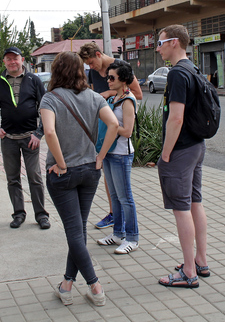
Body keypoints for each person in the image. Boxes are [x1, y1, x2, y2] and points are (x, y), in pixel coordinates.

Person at [40, 51, 119, 307]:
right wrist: (101, 156)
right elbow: (114, 125)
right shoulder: (95, 97)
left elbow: (49, 131)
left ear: (56, 71)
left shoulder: (50, 98)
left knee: (75, 233)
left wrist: (61, 164)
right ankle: (66, 286)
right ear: (80, 72)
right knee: (79, 231)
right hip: (89, 171)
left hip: (63, 175)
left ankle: (96, 287)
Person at [155, 25, 209, 289]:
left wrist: (165, 153)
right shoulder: (193, 69)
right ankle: (200, 259)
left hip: (181, 150)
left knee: (182, 209)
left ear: (174, 42)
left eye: (161, 42)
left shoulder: (177, 74)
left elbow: (176, 118)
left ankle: (188, 272)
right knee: (195, 202)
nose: (158, 47)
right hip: (197, 146)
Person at [78, 42, 143, 229]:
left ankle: (121, 221)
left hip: (118, 131)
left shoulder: (119, 67)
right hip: (103, 130)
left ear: (99, 54)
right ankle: (114, 214)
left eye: (92, 62)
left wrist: (109, 92)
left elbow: (137, 94)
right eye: (88, 65)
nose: (92, 67)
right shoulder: (93, 73)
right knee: (109, 179)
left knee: (121, 188)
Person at [0, 46, 50, 229]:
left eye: (16, 58)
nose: (12, 62)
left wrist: (39, 133)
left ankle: (41, 215)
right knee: (13, 178)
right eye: (8, 59)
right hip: (9, 140)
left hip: (30, 139)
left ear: (22, 60)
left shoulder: (33, 80)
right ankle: (19, 214)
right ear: (4, 62)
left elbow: (44, 106)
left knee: (34, 176)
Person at [94, 61, 139, 254]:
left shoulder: (128, 100)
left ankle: (132, 238)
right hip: (111, 152)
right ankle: (117, 233)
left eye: (112, 78)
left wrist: (111, 125)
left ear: (123, 80)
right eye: (107, 77)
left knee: (125, 197)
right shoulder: (115, 98)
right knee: (115, 196)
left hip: (121, 154)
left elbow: (127, 131)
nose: (108, 81)